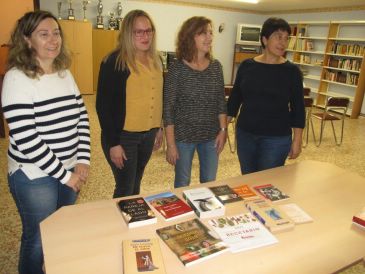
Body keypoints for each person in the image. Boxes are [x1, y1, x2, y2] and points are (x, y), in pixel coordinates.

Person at [1, 10, 90, 274]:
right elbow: (28, 139)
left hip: (68, 170)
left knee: (59, 231)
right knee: (38, 238)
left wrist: (82, 158)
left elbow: (82, 117)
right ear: (27, 40)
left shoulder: (64, 73)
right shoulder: (17, 78)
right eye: (43, 34)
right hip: (33, 174)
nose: (53, 40)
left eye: (56, 33)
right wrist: (65, 176)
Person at [96, 10, 163, 198]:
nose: (145, 36)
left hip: (148, 134)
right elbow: (103, 106)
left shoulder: (156, 60)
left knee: (136, 182)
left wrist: (159, 128)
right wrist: (113, 143)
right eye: (138, 32)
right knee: (125, 187)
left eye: (149, 31)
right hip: (124, 137)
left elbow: (157, 97)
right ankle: (121, 222)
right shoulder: (115, 61)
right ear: (127, 33)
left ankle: (132, 221)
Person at [227, 17, 305, 174]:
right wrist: (222, 129)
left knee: (267, 184)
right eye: (278, 36)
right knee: (248, 179)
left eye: (286, 38)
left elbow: (298, 109)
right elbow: (235, 99)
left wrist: (297, 140)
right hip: (245, 135)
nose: (283, 42)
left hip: (276, 138)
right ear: (264, 39)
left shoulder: (292, 72)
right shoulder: (247, 66)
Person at [163, 16, 227, 188]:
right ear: (190, 36)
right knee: (182, 183)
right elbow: (168, 109)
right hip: (183, 137)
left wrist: (223, 130)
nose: (209, 37)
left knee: (209, 183)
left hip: (211, 136)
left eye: (210, 33)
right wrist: (170, 144)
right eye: (202, 33)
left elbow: (221, 101)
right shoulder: (177, 68)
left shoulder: (216, 67)